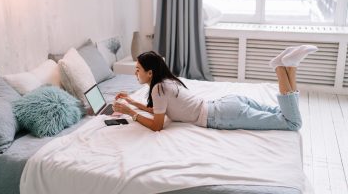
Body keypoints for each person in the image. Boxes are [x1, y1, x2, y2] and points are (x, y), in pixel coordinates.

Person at [112, 45, 318, 132]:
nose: (135, 73)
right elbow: (159, 110)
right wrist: (132, 102)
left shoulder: (158, 89)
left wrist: (131, 113)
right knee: (283, 114)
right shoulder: (167, 83)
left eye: (138, 69)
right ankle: (290, 65)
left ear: (150, 73)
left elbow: (157, 125)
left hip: (221, 115)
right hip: (228, 103)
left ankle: (281, 68)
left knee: (292, 123)